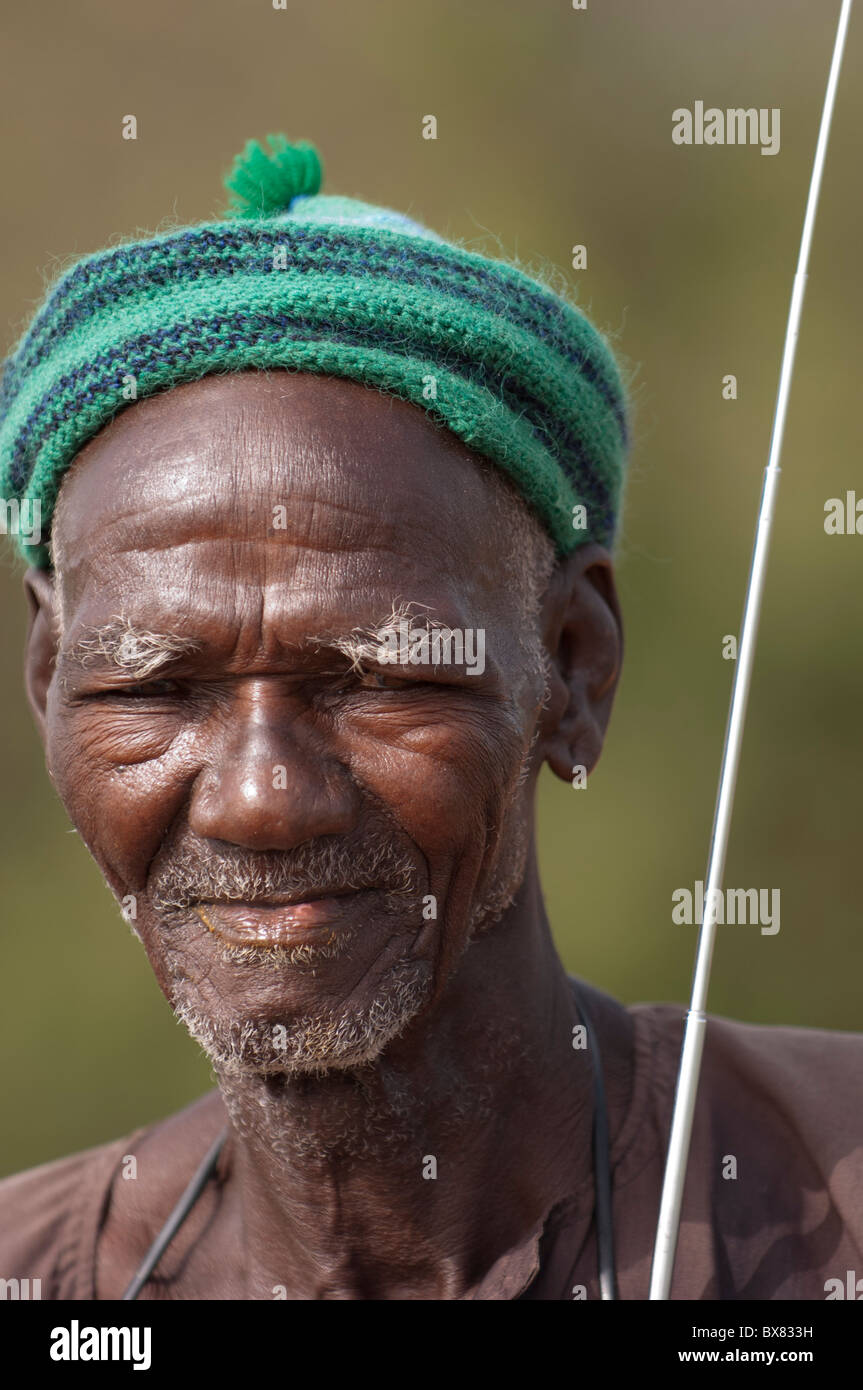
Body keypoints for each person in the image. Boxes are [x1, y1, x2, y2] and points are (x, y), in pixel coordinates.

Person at [0, 136, 859, 1301]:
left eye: (375, 678)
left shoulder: (829, 1197)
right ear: (51, 680)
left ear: (573, 666)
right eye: (154, 687)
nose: (260, 798)